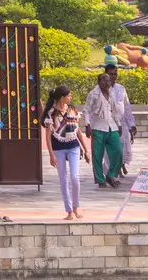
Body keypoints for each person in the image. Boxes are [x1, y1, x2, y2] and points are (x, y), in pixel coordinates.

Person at [40, 85, 90, 219]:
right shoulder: (51, 113)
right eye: (69, 95)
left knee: (75, 177)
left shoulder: (73, 110)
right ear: (62, 98)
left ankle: (76, 206)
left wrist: (85, 149)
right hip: (58, 148)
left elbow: (78, 131)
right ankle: (69, 211)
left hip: (73, 146)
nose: (71, 97)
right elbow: (48, 136)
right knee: (63, 179)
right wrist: (51, 154)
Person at [83, 64, 129, 187]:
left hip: (112, 126)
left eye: (109, 80)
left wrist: (119, 124)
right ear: (99, 82)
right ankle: (100, 179)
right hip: (98, 127)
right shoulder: (93, 94)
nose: (108, 83)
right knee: (97, 155)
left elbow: (115, 110)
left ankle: (111, 175)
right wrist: (87, 125)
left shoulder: (112, 93)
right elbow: (86, 110)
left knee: (118, 152)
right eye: (105, 80)